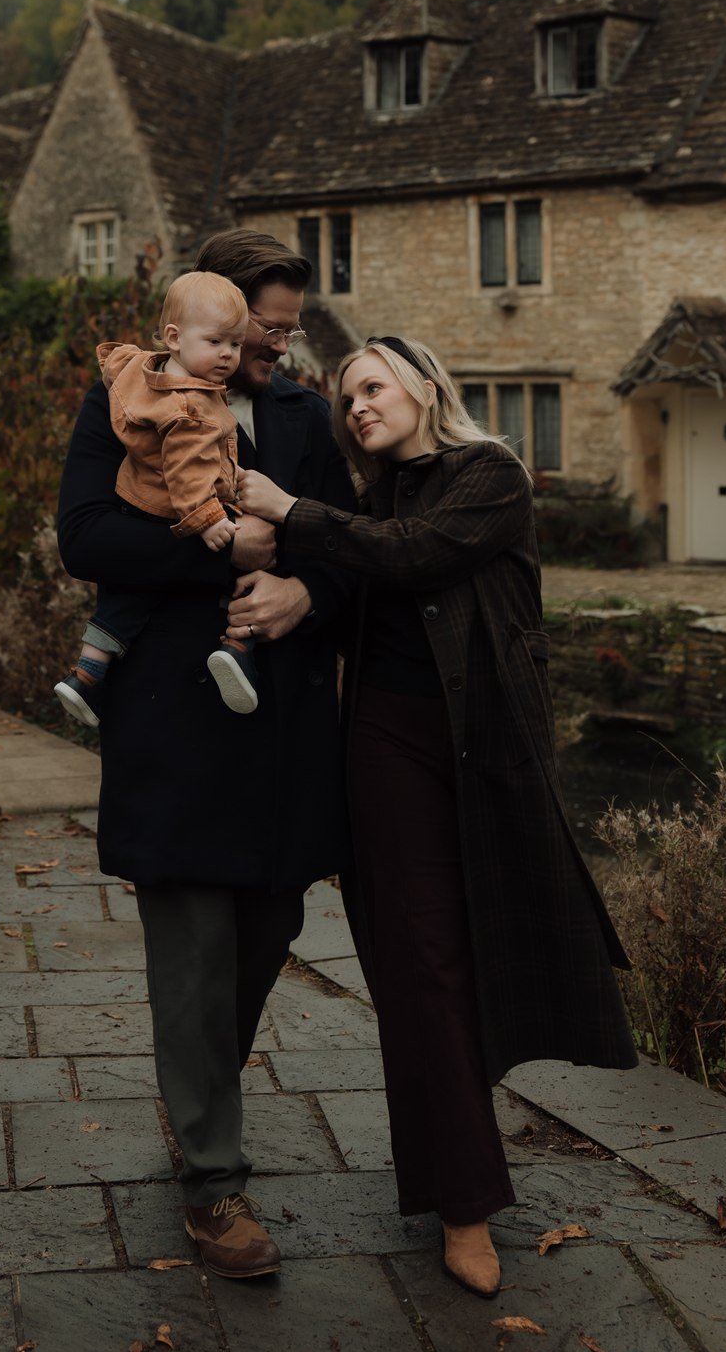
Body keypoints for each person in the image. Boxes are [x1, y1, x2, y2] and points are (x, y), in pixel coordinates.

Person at [237, 333, 637, 1297]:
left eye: (372, 387)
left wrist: (292, 514)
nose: (358, 408)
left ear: (423, 385)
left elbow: (420, 558)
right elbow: (354, 583)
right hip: (383, 745)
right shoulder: (366, 505)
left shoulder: (487, 475)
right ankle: (465, 1206)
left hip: (487, 750)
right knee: (418, 965)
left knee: (490, 949)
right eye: (346, 400)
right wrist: (293, 590)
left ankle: (458, 1117)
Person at [56, 231, 356, 1279]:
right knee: (191, 947)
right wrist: (221, 544)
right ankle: (215, 1187)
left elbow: (352, 551)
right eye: (252, 326)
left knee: (268, 924)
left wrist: (306, 591)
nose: (266, 344)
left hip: (280, 731)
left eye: (278, 328)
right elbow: (85, 535)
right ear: (203, 321)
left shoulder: (306, 419)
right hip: (174, 724)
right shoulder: (127, 399)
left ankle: (195, 1091)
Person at [53, 270, 264, 724]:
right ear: (174, 336)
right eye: (216, 342)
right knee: (244, 581)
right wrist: (210, 518)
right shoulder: (192, 404)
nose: (229, 355)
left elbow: (119, 362)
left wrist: (114, 358)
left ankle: (87, 672)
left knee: (128, 595)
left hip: (137, 501)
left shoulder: (142, 373)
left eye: (236, 344)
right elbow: (190, 470)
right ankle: (237, 647)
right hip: (179, 510)